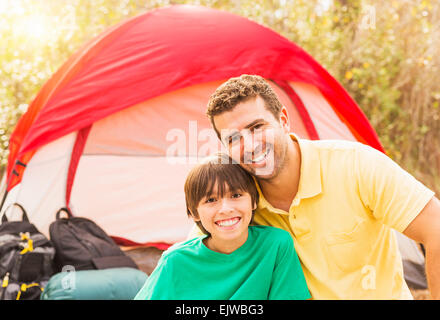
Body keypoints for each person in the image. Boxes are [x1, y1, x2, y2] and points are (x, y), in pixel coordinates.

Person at [188, 74, 440, 300]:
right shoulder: (235, 203)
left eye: (257, 127)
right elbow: (191, 263)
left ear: (283, 120)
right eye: (234, 138)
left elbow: (436, 227)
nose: (251, 145)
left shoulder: (357, 164)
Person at [134, 153, 311, 300]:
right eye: (211, 200)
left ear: (253, 201)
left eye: (235, 195)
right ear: (194, 213)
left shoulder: (276, 245)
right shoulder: (174, 261)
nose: (226, 209)